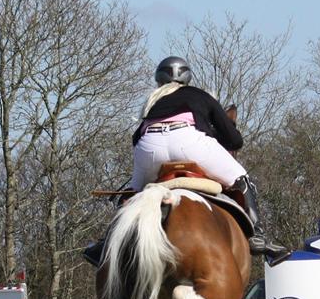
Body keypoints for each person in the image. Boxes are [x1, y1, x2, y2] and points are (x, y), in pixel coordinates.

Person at [83, 56, 289, 265]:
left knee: (133, 193)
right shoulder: (199, 95)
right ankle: (258, 237)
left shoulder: (152, 101)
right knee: (241, 178)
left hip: (149, 146)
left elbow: (136, 138)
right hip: (189, 142)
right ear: (187, 77)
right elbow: (234, 141)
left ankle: (106, 244)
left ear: (159, 79)